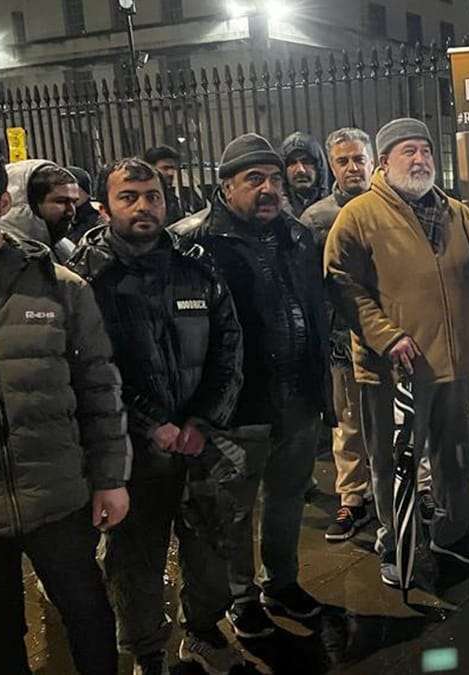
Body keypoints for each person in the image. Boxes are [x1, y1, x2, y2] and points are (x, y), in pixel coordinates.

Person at [68, 157, 246, 675]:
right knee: (135, 562)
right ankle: (149, 655)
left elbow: (229, 348)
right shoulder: (84, 280)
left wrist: (203, 421)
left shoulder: (196, 267)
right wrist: (154, 426)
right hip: (130, 452)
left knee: (211, 547)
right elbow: (87, 371)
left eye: (153, 196)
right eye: (129, 197)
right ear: (104, 206)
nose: (143, 206)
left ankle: (204, 632)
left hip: (199, 444)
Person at [325, 118, 469, 584]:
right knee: (393, 462)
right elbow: (340, 282)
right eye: (408, 151)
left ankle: (450, 534)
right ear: (385, 162)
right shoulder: (359, 215)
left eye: (426, 151)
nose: (420, 159)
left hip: (453, 363)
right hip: (395, 369)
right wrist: (386, 336)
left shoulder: (455, 212)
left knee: (456, 456)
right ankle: (396, 543)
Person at [0, 145, 130, 675]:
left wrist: (111, 478)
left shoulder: (58, 285)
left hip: (57, 495)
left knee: (88, 616)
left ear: (1, 199)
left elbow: (98, 387)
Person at [172, 133, 332, 638]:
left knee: (286, 498)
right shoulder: (194, 242)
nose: (269, 189)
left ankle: (281, 582)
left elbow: (313, 306)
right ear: (225, 185)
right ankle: (241, 598)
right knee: (232, 511)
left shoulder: (297, 234)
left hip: (299, 396)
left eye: (275, 179)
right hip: (237, 407)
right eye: (254, 179)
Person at [303, 127, 435, 542]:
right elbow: (318, 282)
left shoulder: (403, 205)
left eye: (358, 158)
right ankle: (352, 496)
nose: (352, 167)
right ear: (332, 166)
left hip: (399, 338)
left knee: (410, 420)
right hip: (344, 341)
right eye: (342, 161)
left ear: (372, 160)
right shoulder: (318, 218)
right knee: (350, 424)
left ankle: (422, 490)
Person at [1, 160, 81, 260]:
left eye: (74, 202)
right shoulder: (1, 255)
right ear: (30, 203)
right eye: (60, 201)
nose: (71, 211)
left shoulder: (66, 249)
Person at [280, 131, 330, 218]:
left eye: (306, 162)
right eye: (292, 163)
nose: (300, 170)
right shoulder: (273, 213)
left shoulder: (340, 211)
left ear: (319, 167)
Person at [143, 144, 192, 223]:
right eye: (165, 168)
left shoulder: (171, 195)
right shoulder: (144, 195)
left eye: (173, 168)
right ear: (150, 168)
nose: (171, 173)